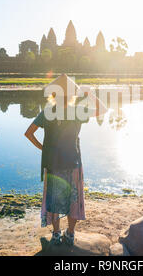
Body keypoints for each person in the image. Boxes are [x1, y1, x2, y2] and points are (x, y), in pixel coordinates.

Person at [25, 74, 106, 246]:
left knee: (54, 200)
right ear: (72, 95)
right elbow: (103, 109)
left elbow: (28, 134)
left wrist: (43, 148)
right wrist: (90, 94)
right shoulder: (77, 111)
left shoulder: (47, 112)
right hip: (73, 162)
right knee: (73, 199)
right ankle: (70, 233)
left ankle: (55, 234)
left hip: (53, 163)